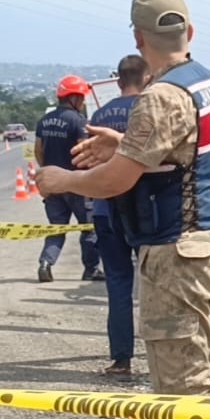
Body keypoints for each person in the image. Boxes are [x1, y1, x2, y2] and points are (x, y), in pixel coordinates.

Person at [37, 0, 210, 419]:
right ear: (189, 32)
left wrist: (61, 180)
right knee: (200, 363)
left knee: (180, 380)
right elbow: (191, 150)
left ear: (139, 40)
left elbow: (116, 182)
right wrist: (124, 144)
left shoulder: (160, 98)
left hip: (177, 254)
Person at [88, 54, 148, 376]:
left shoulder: (99, 114)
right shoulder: (148, 108)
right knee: (155, 284)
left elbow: (88, 162)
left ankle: (121, 359)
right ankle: (160, 355)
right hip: (145, 208)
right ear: (146, 76)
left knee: (118, 284)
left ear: (118, 79)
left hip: (105, 208)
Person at [34, 75, 101, 283]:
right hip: (76, 183)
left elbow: (38, 150)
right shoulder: (78, 121)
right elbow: (84, 150)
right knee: (88, 228)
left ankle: (46, 263)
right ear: (73, 98)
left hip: (53, 184)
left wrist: (47, 171)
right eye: (81, 98)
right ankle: (90, 269)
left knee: (57, 228)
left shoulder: (44, 120)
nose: (82, 102)